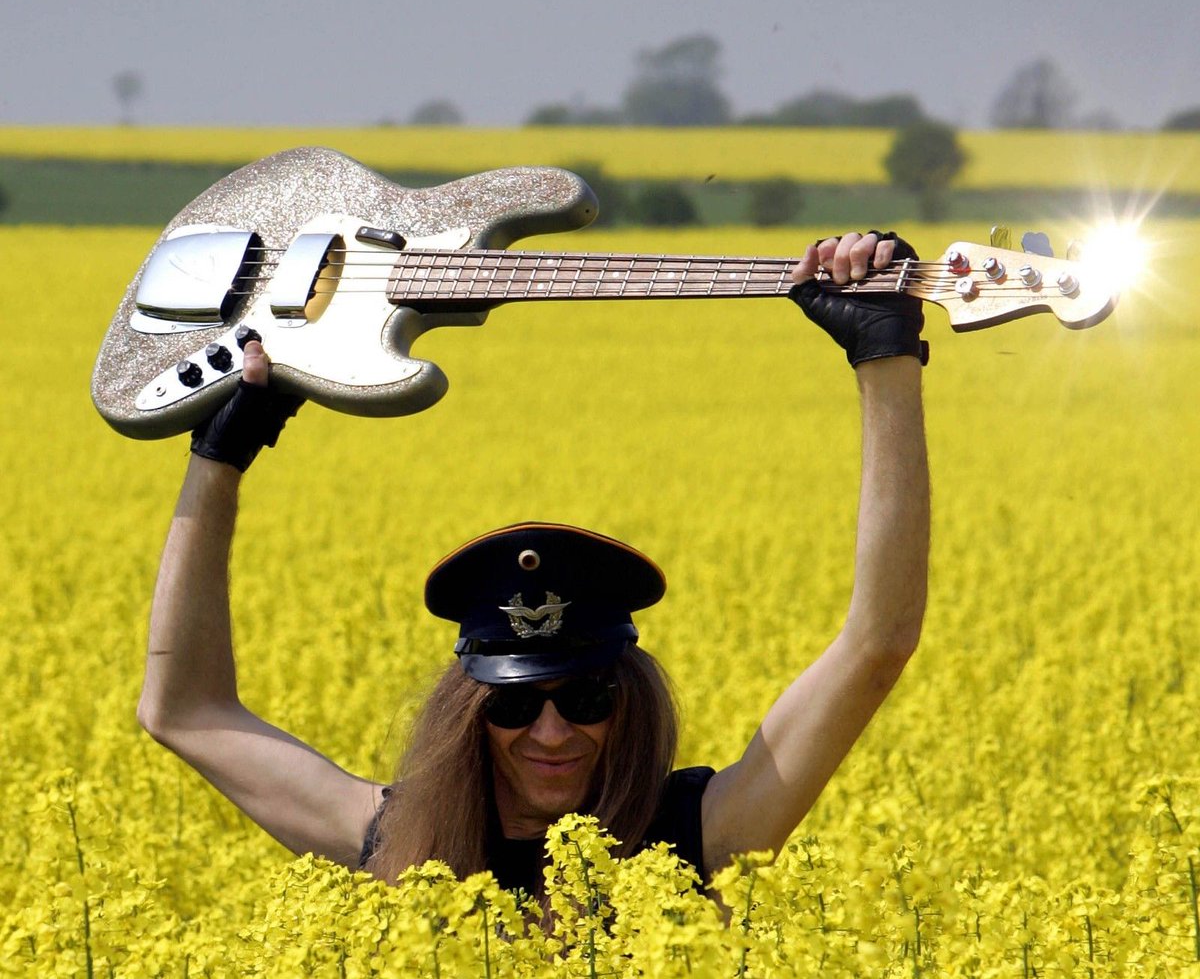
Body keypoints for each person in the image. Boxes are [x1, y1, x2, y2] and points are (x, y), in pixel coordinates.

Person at [138, 230, 930, 898]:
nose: (552, 731)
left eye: (586, 695)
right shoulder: (403, 841)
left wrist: (883, 355)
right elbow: (184, 711)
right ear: (467, 716)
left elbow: (876, 646)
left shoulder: (698, 837)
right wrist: (222, 453)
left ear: (631, 699)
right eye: (512, 706)